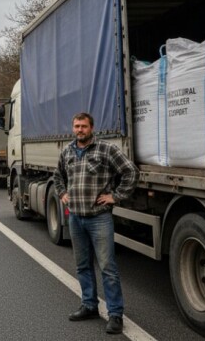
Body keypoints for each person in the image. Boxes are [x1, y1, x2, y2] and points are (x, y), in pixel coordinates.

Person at [52, 112, 137, 335]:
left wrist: (115, 196)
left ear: (92, 128)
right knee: (82, 265)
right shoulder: (67, 151)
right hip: (75, 217)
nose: (79, 130)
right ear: (73, 128)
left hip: (99, 218)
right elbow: (57, 175)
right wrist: (62, 193)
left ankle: (115, 314)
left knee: (107, 267)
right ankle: (89, 305)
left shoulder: (106, 149)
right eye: (76, 126)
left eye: (84, 126)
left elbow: (130, 172)